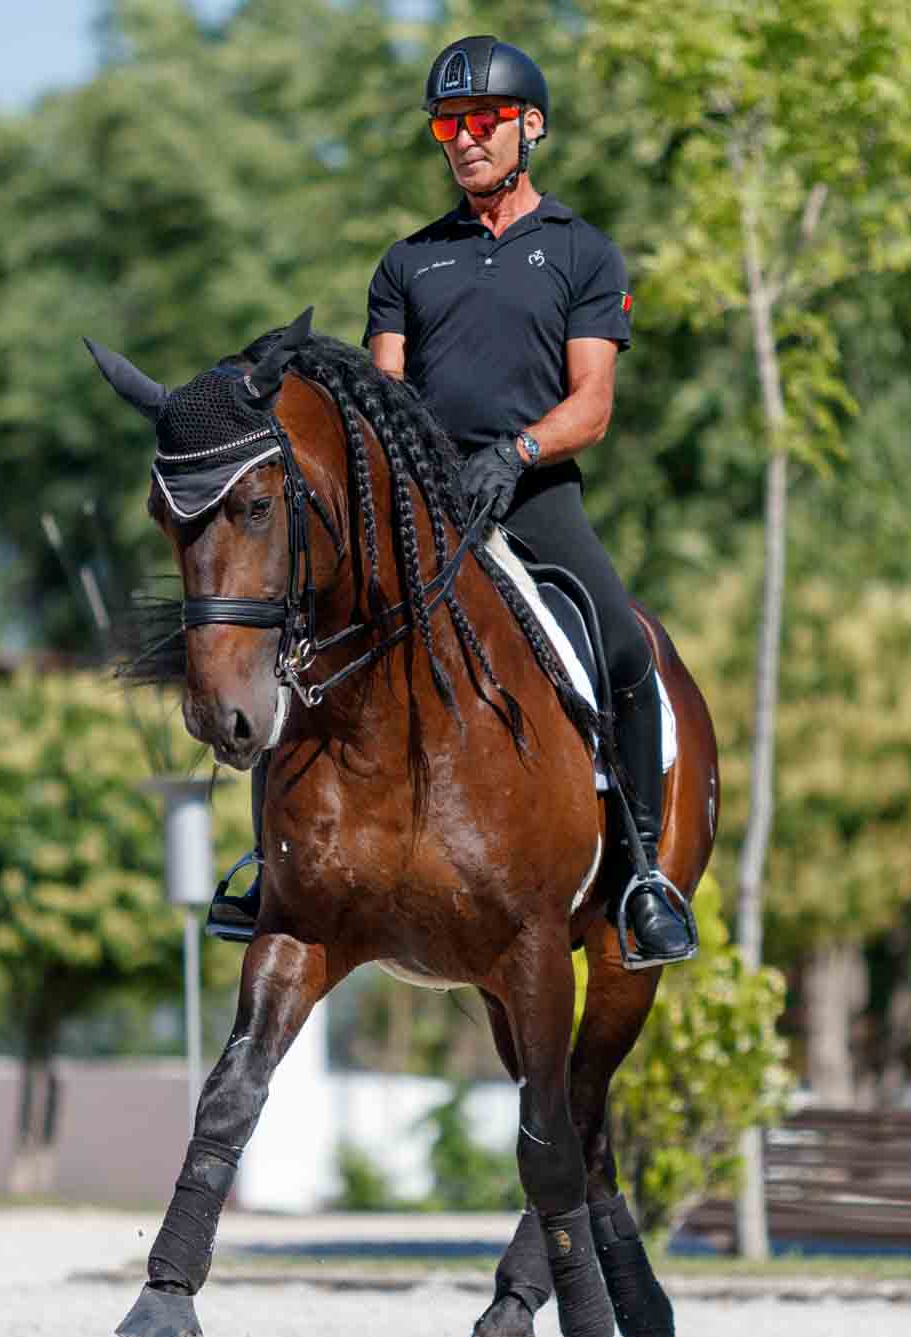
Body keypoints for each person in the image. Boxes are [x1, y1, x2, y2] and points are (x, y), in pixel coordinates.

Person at [211, 34, 693, 967]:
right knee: (306, 639)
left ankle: (641, 876)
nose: (464, 141)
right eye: (448, 127)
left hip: (535, 493)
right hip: (424, 510)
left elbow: (591, 405)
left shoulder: (584, 254)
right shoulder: (408, 264)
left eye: (481, 122)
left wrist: (514, 453)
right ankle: (270, 864)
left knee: (626, 646)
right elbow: (386, 400)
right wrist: (422, 472)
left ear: (531, 127)